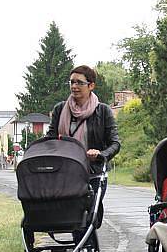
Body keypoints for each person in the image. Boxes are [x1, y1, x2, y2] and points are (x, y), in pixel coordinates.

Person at [46, 65, 121, 228]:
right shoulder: (60, 109)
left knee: (87, 212)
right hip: (65, 171)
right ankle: (80, 248)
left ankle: (86, 249)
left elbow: (115, 143)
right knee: (71, 214)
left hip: (92, 172)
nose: (74, 86)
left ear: (91, 85)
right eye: (71, 82)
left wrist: (101, 154)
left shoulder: (103, 111)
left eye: (79, 82)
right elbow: (50, 139)